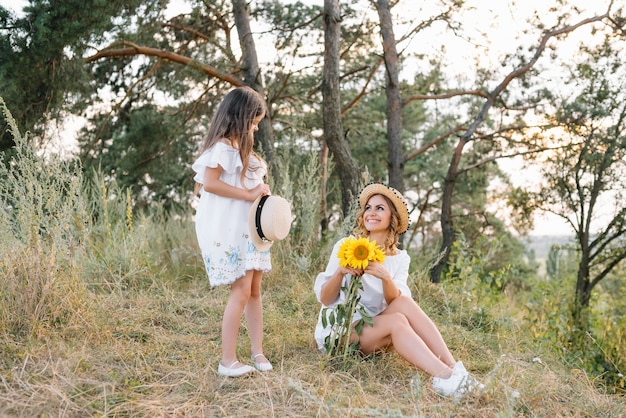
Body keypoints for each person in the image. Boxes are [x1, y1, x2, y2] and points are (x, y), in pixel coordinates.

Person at [314, 183, 483, 398]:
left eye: (379, 208)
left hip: (374, 330)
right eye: (368, 208)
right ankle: (446, 377)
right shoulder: (346, 245)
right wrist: (340, 272)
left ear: (392, 218)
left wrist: (385, 277)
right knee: (397, 322)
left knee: (404, 304)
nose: (371, 213)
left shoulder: (400, 258)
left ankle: (457, 370)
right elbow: (325, 299)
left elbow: (396, 301)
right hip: (340, 333)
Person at [192, 86, 274, 377]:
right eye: (253, 121)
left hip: (251, 230)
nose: (256, 127)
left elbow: (250, 188)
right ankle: (227, 360)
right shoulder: (222, 148)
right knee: (240, 290)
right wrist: (250, 194)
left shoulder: (245, 153)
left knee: (254, 290)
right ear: (240, 117)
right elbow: (211, 184)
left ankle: (257, 351)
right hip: (232, 231)